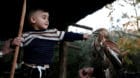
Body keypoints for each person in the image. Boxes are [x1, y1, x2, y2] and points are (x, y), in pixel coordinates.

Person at [12, 8, 90, 78]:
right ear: (33, 20)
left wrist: (81, 36)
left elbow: (67, 35)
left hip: (45, 71)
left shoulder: (53, 33)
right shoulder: (26, 35)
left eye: (48, 18)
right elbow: (16, 45)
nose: (47, 20)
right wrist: (13, 43)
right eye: (44, 17)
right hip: (28, 70)